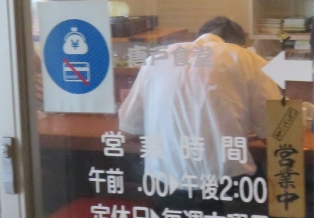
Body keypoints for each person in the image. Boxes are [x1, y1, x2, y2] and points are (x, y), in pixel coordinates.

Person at [119, 16, 281, 182]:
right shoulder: (246, 58)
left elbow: (127, 131)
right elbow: (276, 133)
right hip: (225, 180)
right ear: (239, 45)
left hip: (163, 182)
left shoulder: (158, 58)